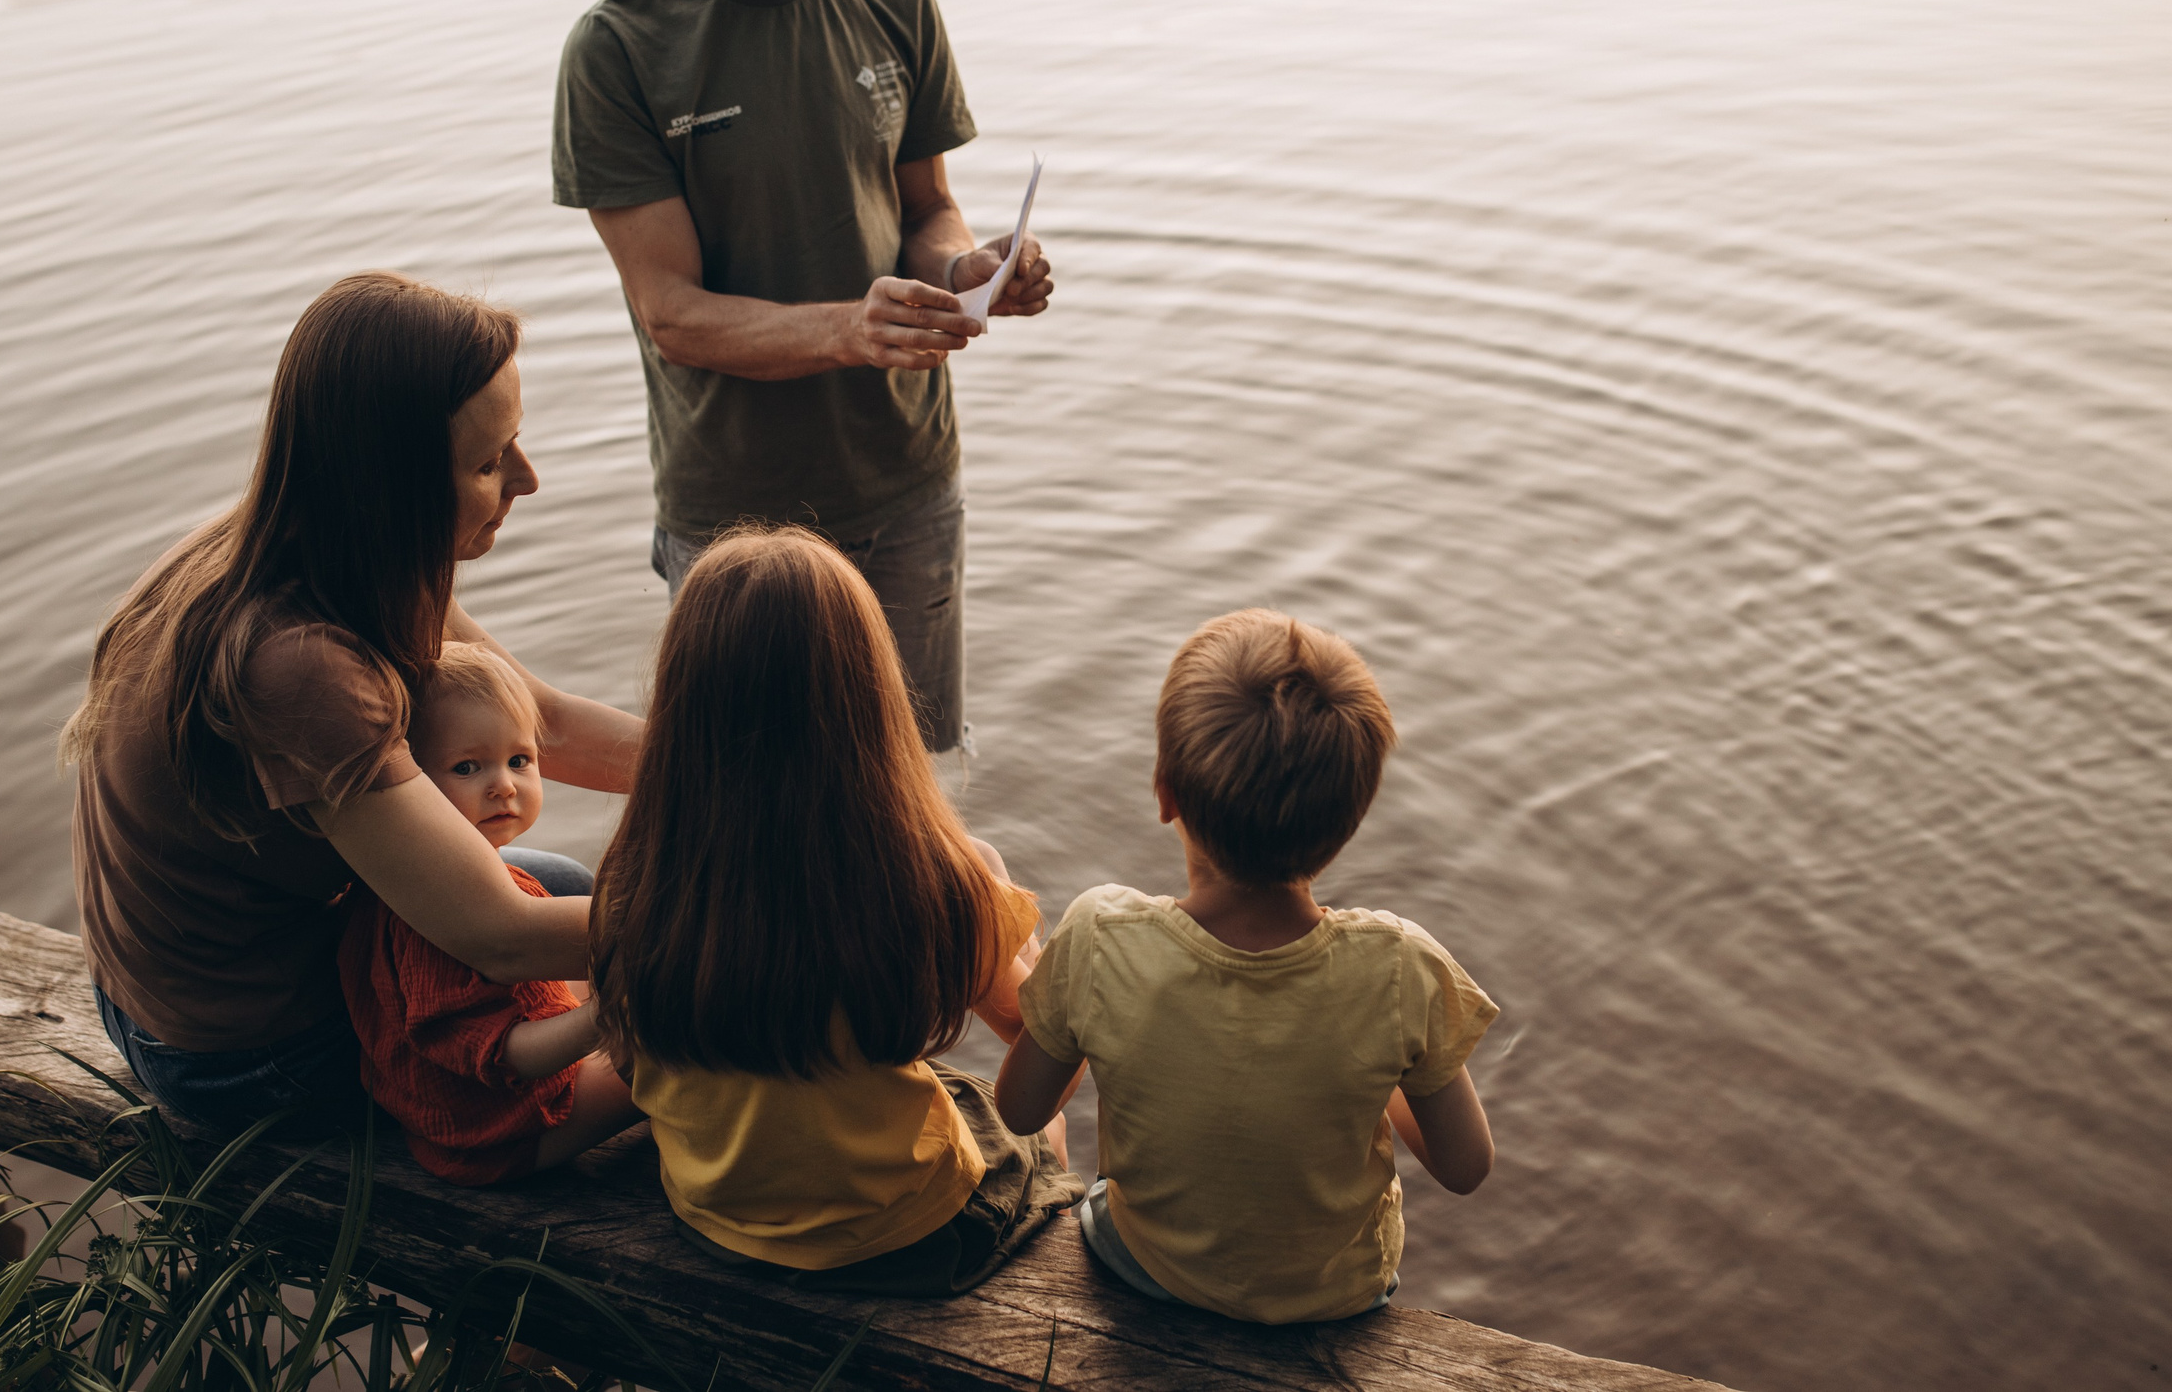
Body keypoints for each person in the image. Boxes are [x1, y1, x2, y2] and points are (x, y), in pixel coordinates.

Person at [552, 0, 1054, 756]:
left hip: (908, 486)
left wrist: (965, 266)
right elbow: (673, 316)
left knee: (917, 799)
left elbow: (922, 209)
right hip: (732, 524)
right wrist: (849, 331)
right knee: (751, 816)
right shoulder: (619, 48)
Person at [61, 272, 643, 1136]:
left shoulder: (314, 538)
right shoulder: (296, 663)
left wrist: (756, 775)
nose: (527, 479)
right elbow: (500, 936)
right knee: (663, 1013)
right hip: (240, 1061)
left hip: (173, 991)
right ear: (393, 485)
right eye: (487, 464)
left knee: (566, 886)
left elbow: (542, 722)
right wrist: (765, 914)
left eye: (515, 443)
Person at [587, 528, 1083, 1294]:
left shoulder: (637, 881)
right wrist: (1003, 892)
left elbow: (629, 1056)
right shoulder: (936, 882)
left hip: (713, 1217)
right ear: (870, 701)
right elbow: (1046, 1043)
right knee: (1034, 1131)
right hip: (908, 1235)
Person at [993, 610, 1498, 1323]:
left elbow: (1018, 1110)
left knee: (1077, 1174)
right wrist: (1373, 1068)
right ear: (1350, 821)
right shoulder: (1400, 970)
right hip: (1338, 1296)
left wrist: (1042, 979)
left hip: (1146, 1269)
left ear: (1165, 792)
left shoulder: (1101, 935)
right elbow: (1466, 1166)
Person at [339, 642, 645, 1183]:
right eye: (467, 767)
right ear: (413, 791)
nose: (503, 784)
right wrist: (607, 1016)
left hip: (471, 1117)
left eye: (519, 761)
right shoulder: (436, 919)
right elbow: (506, 1056)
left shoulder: (417, 878)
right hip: (506, 1134)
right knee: (680, 1052)